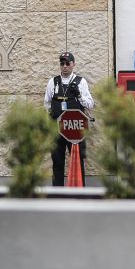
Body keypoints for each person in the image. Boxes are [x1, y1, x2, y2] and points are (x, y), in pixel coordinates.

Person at [43, 51, 94, 186]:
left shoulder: (80, 82)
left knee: (77, 161)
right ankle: (57, 195)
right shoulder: (53, 82)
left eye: (67, 63)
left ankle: (78, 194)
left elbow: (90, 104)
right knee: (57, 162)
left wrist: (79, 95)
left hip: (75, 129)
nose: (65, 66)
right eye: (62, 63)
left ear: (73, 64)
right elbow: (47, 104)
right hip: (57, 128)